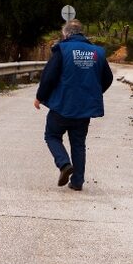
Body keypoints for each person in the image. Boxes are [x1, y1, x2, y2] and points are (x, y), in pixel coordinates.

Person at [34, 19, 113, 191]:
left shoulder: (62, 49)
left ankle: (63, 164)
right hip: (84, 109)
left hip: (62, 106)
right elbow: (108, 78)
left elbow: (49, 77)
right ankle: (77, 182)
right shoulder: (97, 52)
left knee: (52, 136)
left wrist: (40, 97)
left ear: (66, 34)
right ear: (82, 33)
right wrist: (93, 93)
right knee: (78, 144)